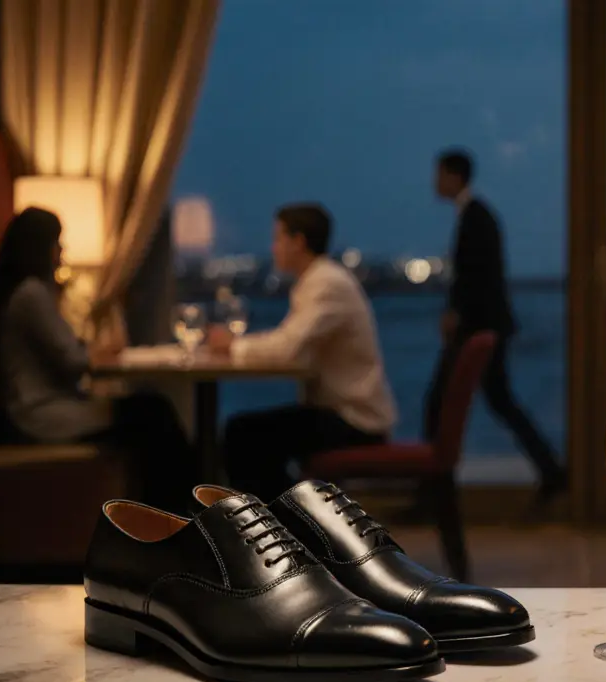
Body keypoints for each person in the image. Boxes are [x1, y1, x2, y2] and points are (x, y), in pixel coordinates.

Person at [0, 207, 198, 512]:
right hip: (40, 415)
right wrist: (95, 354)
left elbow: (65, 351)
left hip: (40, 409)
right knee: (154, 413)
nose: (62, 250)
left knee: (151, 411)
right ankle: (179, 510)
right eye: (57, 242)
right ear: (40, 246)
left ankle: (171, 510)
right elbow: (72, 360)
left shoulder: (23, 292)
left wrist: (90, 352)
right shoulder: (31, 294)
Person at [220, 203, 395, 500]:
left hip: (356, 420)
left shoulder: (326, 284)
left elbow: (287, 348)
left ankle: (292, 517)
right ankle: (293, 513)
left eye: (278, 238)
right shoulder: (319, 280)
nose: (273, 248)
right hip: (343, 412)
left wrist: (232, 345)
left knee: (241, 434)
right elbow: (290, 342)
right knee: (246, 433)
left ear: (298, 241)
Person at [426, 148, 565, 504]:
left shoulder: (476, 216)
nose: (434, 182)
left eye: (439, 175)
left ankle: (432, 491)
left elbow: (476, 277)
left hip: (477, 327)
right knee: (498, 400)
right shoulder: (476, 214)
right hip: (483, 325)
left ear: (455, 176)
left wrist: (456, 314)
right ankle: (550, 470)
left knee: (439, 404)